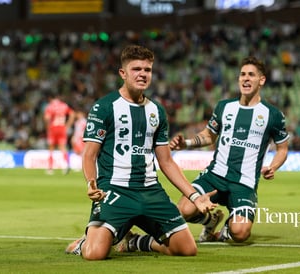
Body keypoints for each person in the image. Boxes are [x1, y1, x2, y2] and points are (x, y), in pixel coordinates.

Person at [65, 44, 216, 260]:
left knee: (187, 249)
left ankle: (137, 241)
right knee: (94, 254)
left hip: (150, 192)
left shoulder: (157, 111)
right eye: (137, 69)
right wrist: (91, 183)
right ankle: (84, 243)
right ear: (123, 73)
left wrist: (194, 196)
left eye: (147, 70)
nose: (143, 74)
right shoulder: (105, 107)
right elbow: (89, 155)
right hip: (115, 191)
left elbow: (167, 162)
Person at [170, 56, 289, 243]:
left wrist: (273, 166)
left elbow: (282, 148)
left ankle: (228, 229)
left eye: (251, 75)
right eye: (242, 75)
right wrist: (187, 143)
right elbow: (209, 135)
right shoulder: (224, 107)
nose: (246, 79)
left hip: (244, 183)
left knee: (240, 233)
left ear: (262, 80)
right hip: (215, 176)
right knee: (184, 210)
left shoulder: (272, 115)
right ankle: (210, 221)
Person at [44, 92, 75, 175]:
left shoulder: (50, 106)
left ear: (50, 98)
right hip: (62, 128)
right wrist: (67, 125)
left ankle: (50, 168)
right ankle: (66, 165)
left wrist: (48, 127)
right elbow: (72, 114)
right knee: (63, 148)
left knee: (51, 148)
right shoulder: (64, 105)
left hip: (53, 128)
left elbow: (47, 118)